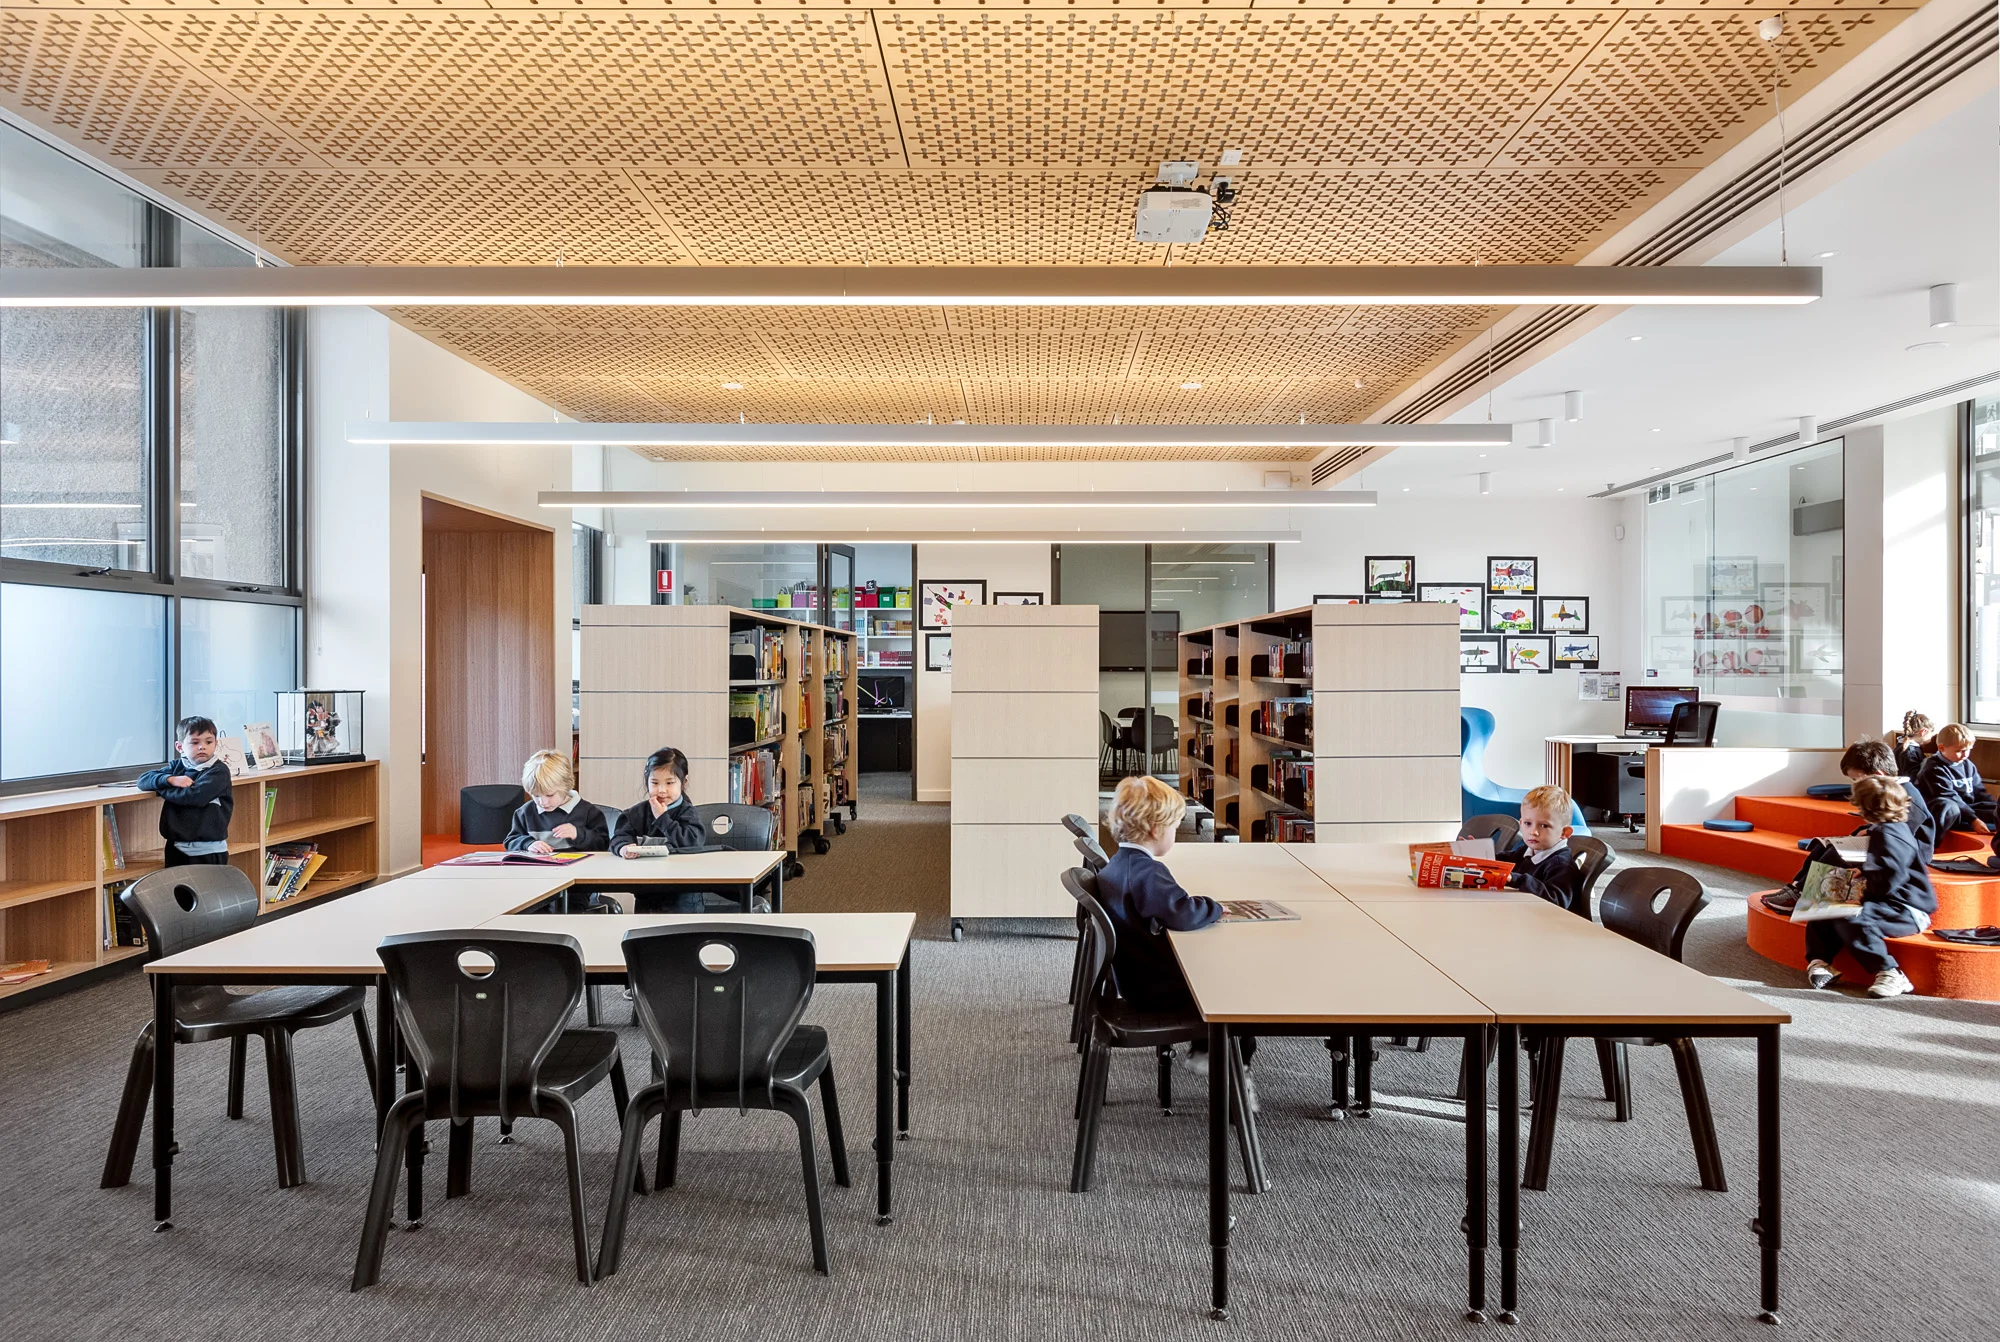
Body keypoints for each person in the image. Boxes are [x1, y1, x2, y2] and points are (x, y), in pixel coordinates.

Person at [1092, 776, 1255, 1098]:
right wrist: (1213, 907)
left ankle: (1205, 1049)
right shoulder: (1147, 873)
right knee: (1237, 995)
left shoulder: (1120, 865)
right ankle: (1233, 1077)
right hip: (1156, 988)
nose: (1175, 835)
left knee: (1215, 972)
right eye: (1174, 828)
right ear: (1156, 830)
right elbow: (1182, 913)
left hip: (1136, 979)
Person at [1804, 776, 1935, 999]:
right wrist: (1863, 873)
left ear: (1865, 808)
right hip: (1887, 900)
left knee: (1851, 915)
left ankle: (1890, 972)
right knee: (1824, 897)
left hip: (1907, 909)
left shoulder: (1891, 835)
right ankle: (1820, 961)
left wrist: (1860, 890)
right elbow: (1883, 869)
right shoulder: (1884, 830)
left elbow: (1887, 881)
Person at [610, 747, 712, 913]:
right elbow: (619, 836)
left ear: (684, 782)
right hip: (647, 892)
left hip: (683, 895)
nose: (662, 790)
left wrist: (663, 819)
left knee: (682, 930)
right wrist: (623, 848)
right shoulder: (636, 813)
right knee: (646, 929)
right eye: (655, 783)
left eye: (669, 783)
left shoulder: (688, 812)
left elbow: (692, 843)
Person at [137, 716, 235, 868]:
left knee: (204, 884)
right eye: (195, 743)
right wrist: (171, 780)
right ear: (180, 747)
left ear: (216, 744)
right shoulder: (178, 767)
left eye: (208, 742)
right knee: (175, 884)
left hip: (207, 850)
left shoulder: (218, 771)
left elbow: (194, 797)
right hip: (175, 848)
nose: (202, 747)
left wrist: (162, 790)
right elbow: (143, 780)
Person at [1497, 784, 1584, 915]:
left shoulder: (1561, 864)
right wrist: (1478, 853)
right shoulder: (1529, 851)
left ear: (1564, 832)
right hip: (1526, 914)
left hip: (1551, 923)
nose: (1533, 832)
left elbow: (1556, 902)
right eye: (1528, 823)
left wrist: (1516, 880)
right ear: (1521, 824)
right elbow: (1503, 859)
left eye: (1544, 826)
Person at [504, 749, 609, 854]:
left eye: (550, 795)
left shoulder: (589, 812)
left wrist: (578, 834)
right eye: (536, 795)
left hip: (579, 864)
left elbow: (603, 844)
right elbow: (510, 841)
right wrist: (528, 844)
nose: (543, 802)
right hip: (537, 864)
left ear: (566, 787)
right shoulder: (524, 813)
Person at [1916, 724, 1996, 835]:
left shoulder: (1968, 765)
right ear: (1941, 748)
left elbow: (1980, 792)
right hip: (1948, 811)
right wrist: (1974, 820)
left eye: (1968, 750)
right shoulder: (1933, 768)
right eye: (1960, 751)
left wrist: (1995, 809)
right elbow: (1950, 797)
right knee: (1950, 807)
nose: (1965, 755)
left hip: (1968, 808)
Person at [1890, 711, 1935, 779]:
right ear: (1923, 732)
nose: (1930, 739)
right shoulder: (1910, 752)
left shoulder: (1901, 745)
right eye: (1931, 735)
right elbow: (1914, 777)